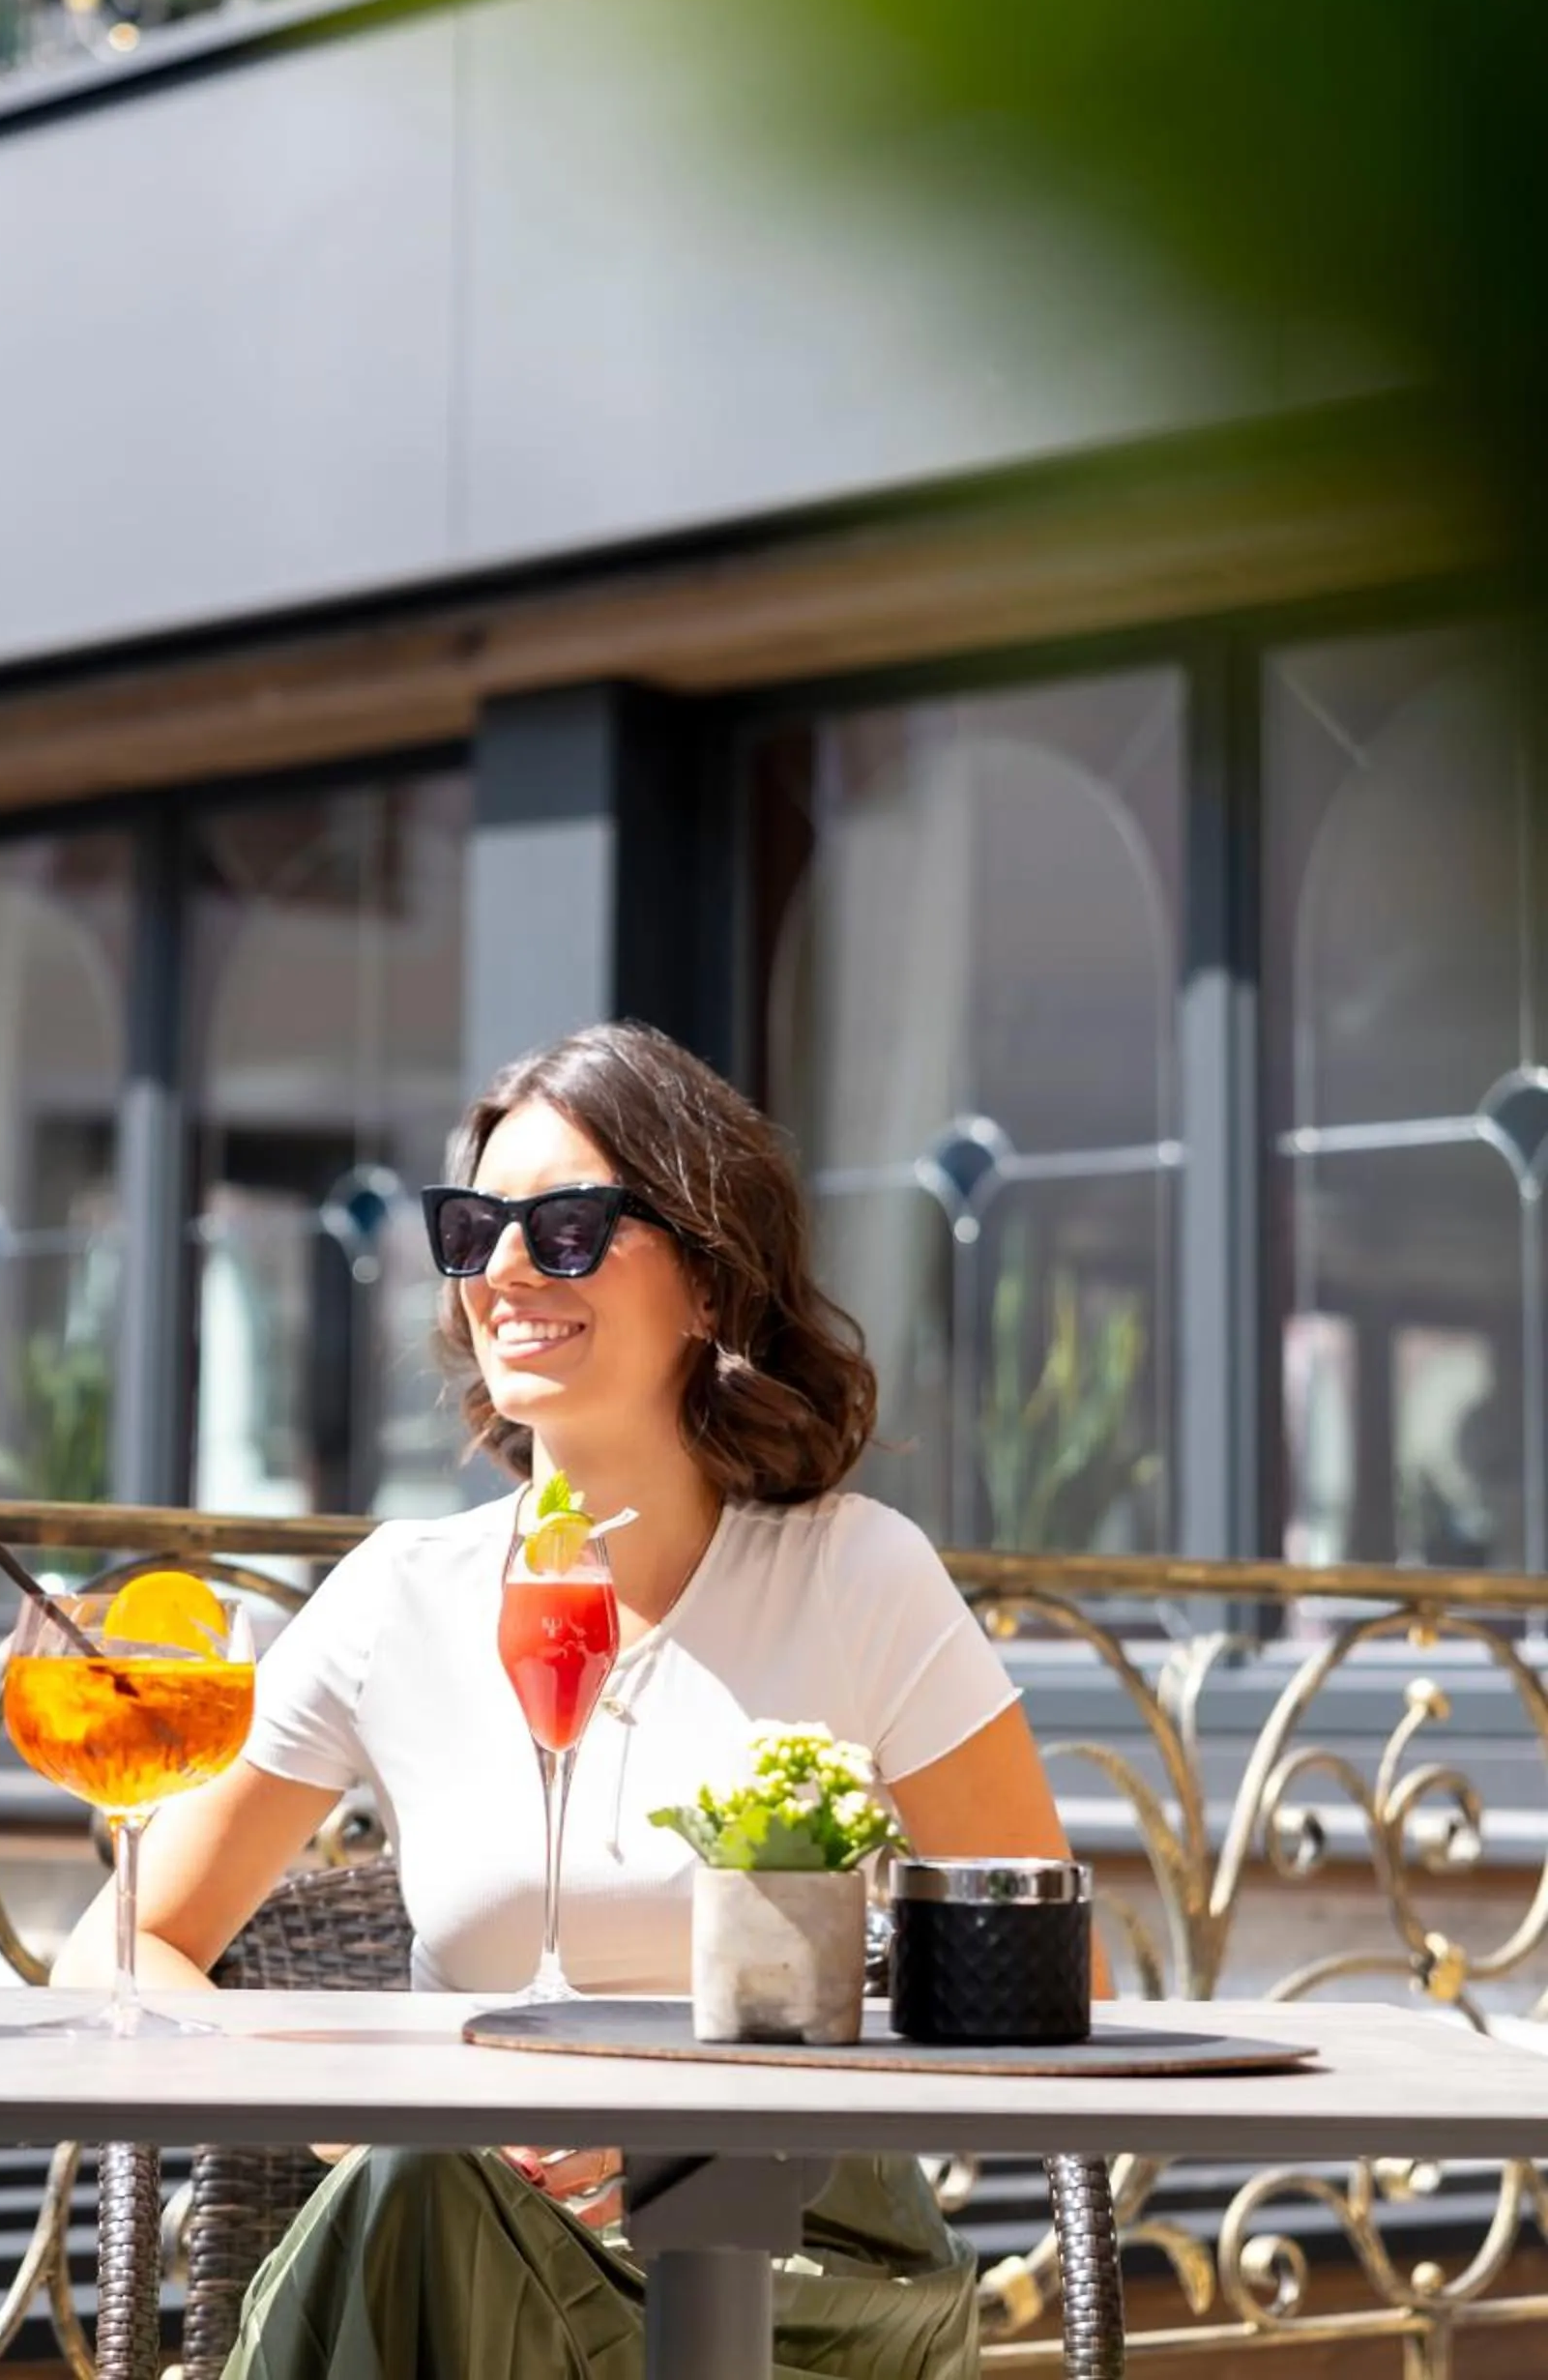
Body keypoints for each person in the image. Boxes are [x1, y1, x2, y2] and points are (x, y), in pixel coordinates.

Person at [55, 1020, 1095, 2379]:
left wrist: (691, 2114)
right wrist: (369, 2115)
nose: (498, 1269)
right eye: (475, 1224)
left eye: (566, 1227)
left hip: (791, 2264)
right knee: (423, 2194)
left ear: (714, 1282)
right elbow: (119, 1947)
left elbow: (1059, 1990)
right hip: (457, 2248)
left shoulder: (856, 1575)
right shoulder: (399, 1597)